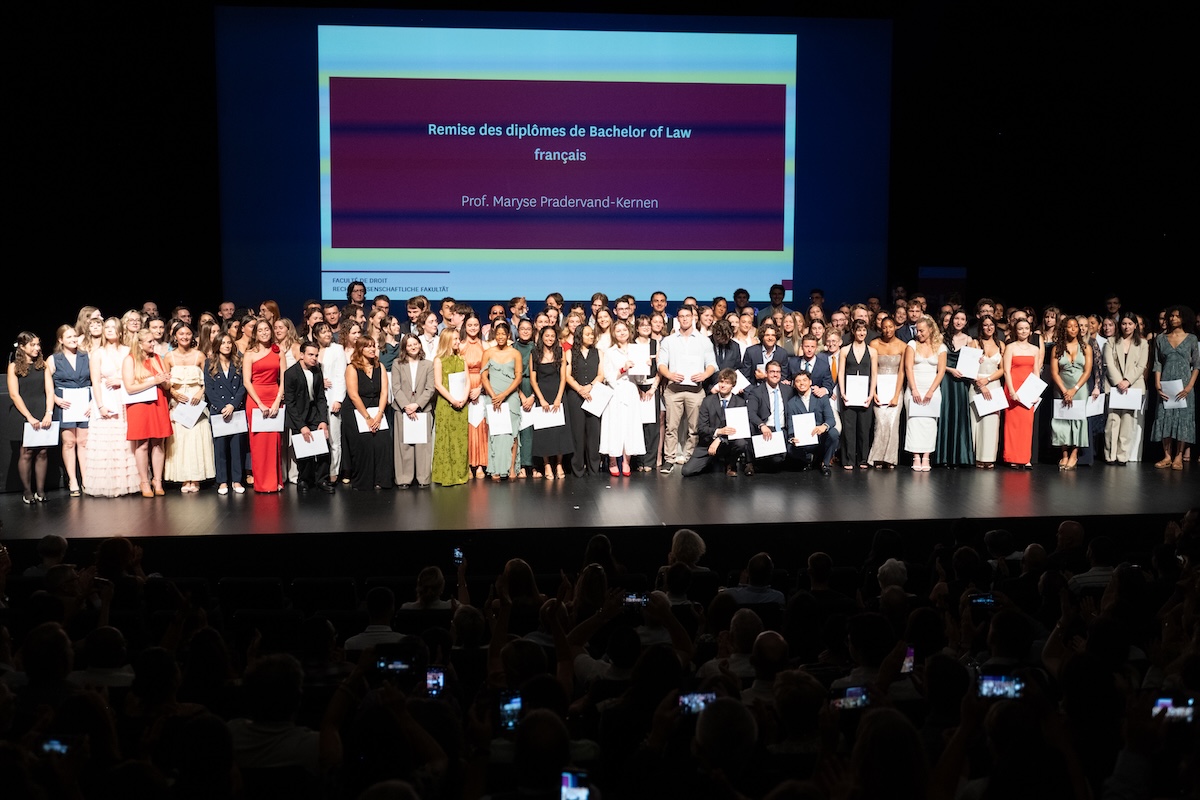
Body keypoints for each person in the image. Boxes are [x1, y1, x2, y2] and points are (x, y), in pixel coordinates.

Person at [85, 318, 142, 497]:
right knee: (107, 442)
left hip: (125, 399)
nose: (109, 330)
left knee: (125, 441)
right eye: (107, 327)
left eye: (113, 327)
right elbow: (95, 381)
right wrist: (100, 405)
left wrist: (121, 381)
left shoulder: (128, 350)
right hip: (106, 399)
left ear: (120, 331)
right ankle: (107, 485)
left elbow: (137, 374)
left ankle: (127, 483)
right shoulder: (98, 353)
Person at [657, 306, 716, 472]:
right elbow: (661, 363)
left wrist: (705, 375)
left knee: (694, 428)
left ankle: (690, 457)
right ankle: (669, 459)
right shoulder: (669, 340)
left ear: (693, 318)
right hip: (674, 389)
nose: (684, 319)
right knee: (671, 428)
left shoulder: (703, 340)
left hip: (695, 391)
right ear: (677, 319)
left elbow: (712, 364)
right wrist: (669, 374)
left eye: (687, 316)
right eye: (681, 316)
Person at [163, 323, 215, 493]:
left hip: (196, 403)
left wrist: (201, 392)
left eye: (188, 334)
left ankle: (196, 477)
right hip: (178, 403)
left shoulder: (199, 356)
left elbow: (209, 379)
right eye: (181, 334)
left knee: (196, 439)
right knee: (180, 441)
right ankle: (185, 478)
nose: (184, 337)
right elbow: (165, 382)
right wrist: (173, 393)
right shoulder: (168, 357)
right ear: (175, 336)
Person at [123, 329, 174, 497]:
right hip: (139, 405)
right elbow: (129, 388)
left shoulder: (157, 358)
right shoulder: (130, 360)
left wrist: (165, 380)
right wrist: (154, 381)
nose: (153, 344)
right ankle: (144, 481)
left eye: (153, 341)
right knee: (142, 443)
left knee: (159, 442)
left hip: (158, 402)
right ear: (139, 344)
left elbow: (166, 385)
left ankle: (157, 480)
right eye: (150, 341)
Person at [7, 332, 54, 503]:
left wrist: (48, 412)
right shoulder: (14, 367)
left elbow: (50, 390)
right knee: (26, 452)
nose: (37, 348)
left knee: (42, 451)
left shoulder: (43, 365)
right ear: (22, 346)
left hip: (41, 410)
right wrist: (29, 416)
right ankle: (27, 491)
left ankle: (40, 491)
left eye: (38, 344)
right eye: (33, 345)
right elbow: (14, 394)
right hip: (24, 413)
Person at [1151, 305, 1199, 469]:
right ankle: (1167, 456)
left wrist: (1189, 386)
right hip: (1166, 384)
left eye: (1177, 316)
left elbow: (1197, 365)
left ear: (1184, 318)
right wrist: (1157, 384)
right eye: (1171, 316)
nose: (1173, 319)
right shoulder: (1161, 338)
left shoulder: (1191, 339)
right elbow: (1157, 363)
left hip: (1184, 385)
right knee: (1165, 417)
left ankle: (1178, 456)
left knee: (1183, 419)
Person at [344, 337, 393, 490]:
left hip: (377, 409)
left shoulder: (380, 366)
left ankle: (381, 480)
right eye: (368, 347)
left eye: (373, 346)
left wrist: (379, 414)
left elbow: (384, 392)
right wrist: (367, 418)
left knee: (383, 442)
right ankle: (364, 482)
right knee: (364, 443)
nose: (372, 349)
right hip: (358, 410)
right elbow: (353, 395)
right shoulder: (352, 368)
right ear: (360, 349)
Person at [284, 340, 334, 493]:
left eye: (316, 355)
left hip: (314, 412)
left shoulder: (317, 371)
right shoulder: (291, 374)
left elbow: (320, 398)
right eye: (310, 355)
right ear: (301, 355)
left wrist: (323, 420)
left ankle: (322, 479)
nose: (314, 358)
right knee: (304, 450)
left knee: (323, 446)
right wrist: (301, 426)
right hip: (299, 415)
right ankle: (304, 480)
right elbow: (290, 403)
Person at [47, 325, 91, 496]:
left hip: (84, 402)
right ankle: (72, 480)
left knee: (83, 442)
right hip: (65, 404)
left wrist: (92, 402)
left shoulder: (86, 356)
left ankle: (86, 479)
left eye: (74, 336)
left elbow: (96, 380)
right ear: (61, 340)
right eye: (69, 337)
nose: (73, 340)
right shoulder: (54, 359)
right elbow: (46, 384)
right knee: (69, 442)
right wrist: (55, 399)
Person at [600, 319, 647, 476]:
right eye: (618, 330)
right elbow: (608, 377)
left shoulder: (636, 350)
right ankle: (613, 460)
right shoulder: (610, 352)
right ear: (614, 333)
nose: (622, 333)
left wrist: (644, 366)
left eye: (624, 330)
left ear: (629, 331)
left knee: (630, 424)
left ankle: (626, 460)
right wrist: (622, 369)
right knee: (614, 425)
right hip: (615, 392)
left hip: (631, 391)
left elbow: (640, 379)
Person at [682, 368, 750, 477]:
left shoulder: (739, 402)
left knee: (741, 443)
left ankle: (730, 464)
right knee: (687, 471)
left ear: (733, 385)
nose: (723, 385)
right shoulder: (707, 401)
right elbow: (701, 428)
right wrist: (718, 431)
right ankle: (710, 461)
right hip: (708, 443)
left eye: (727, 383)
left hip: (728, 443)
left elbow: (739, 431)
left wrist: (720, 439)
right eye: (721, 382)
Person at [243, 319, 284, 493]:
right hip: (255, 400)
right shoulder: (249, 354)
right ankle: (262, 483)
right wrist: (259, 404)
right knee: (259, 443)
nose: (264, 333)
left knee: (274, 441)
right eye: (260, 330)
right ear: (255, 333)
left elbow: (283, 379)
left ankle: (275, 481)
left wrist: (277, 401)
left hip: (274, 397)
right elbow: (246, 381)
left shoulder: (278, 351)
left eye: (267, 329)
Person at [391, 332, 435, 488]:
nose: (413, 347)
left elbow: (430, 388)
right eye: (409, 345)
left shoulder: (428, 364)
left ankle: (423, 478)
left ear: (420, 345)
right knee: (404, 445)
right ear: (404, 347)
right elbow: (396, 387)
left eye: (415, 344)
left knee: (423, 446)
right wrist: (406, 406)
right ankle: (404, 478)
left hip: (422, 409)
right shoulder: (397, 364)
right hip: (402, 410)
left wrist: (417, 405)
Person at [1103, 311, 1148, 465]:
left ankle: (1122, 456)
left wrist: (1127, 381)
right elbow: (1109, 364)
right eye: (1124, 323)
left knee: (1128, 422)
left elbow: (1141, 366)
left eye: (1130, 324)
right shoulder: (1111, 341)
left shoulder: (1143, 344)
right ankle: (1110, 455)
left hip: (1133, 387)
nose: (1126, 327)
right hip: (1114, 386)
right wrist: (1118, 382)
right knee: (1112, 420)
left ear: (1135, 326)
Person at [204, 332, 246, 495]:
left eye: (229, 343)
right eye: (223, 343)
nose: (227, 346)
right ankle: (222, 481)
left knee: (237, 448)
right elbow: (209, 388)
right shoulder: (209, 363)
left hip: (236, 410)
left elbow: (243, 386)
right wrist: (222, 407)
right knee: (220, 448)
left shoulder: (238, 361)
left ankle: (237, 480)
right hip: (218, 411)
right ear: (217, 345)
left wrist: (233, 405)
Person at [480, 322, 523, 480]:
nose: (500, 337)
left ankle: (511, 468)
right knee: (496, 432)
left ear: (508, 335)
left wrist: (504, 395)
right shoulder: (488, 353)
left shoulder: (515, 353)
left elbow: (518, 377)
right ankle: (496, 468)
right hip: (493, 397)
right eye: (497, 334)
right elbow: (484, 376)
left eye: (503, 334)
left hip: (510, 397)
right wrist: (493, 396)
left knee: (512, 433)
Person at [903, 316, 947, 472]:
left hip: (932, 390)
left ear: (930, 329)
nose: (918, 333)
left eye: (921, 330)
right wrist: (914, 389)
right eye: (917, 330)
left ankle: (926, 456)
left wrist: (930, 391)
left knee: (930, 424)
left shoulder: (940, 347)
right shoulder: (912, 345)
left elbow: (941, 371)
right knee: (914, 422)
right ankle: (915, 456)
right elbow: (908, 368)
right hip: (914, 389)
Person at [1049, 314, 1092, 470]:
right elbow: (1054, 372)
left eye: (1076, 326)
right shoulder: (1057, 348)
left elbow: (1087, 371)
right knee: (1062, 420)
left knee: (1079, 419)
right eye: (1070, 326)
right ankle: (1064, 454)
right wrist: (1064, 390)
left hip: (1079, 388)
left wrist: (1074, 389)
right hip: (1061, 387)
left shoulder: (1086, 347)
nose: (1074, 329)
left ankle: (1074, 454)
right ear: (1064, 329)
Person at [935, 309, 975, 468]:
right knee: (945, 413)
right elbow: (937, 361)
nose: (959, 321)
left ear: (966, 322)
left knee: (959, 414)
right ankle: (943, 456)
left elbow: (971, 363)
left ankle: (959, 456)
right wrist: (950, 370)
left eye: (962, 319)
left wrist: (977, 361)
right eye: (956, 318)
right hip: (946, 379)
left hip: (961, 382)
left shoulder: (969, 339)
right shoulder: (941, 337)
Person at [1002, 318, 1042, 469]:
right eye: (1020, 329)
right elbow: (1006, 371)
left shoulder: (1035, 349)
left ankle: (1025, 457)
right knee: (1012, 425)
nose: (1023, 331)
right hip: (1014, 388)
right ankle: (1012, 457)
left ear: (1030, 330)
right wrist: (1012, 391)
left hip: (1028, 390)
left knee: (1026, 425)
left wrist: (1036, 392)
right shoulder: (1010, 347)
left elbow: (1036, 371)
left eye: (1026, 328)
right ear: (1015, 331)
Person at [432, 328, 470, 486]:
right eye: (454, 339)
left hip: (462, 403)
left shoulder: (461, 359)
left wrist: (464, 398)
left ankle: (460, 473)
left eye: (458, 339)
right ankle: (446, 475)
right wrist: (453, 400)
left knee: (460, 439)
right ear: (446, 340)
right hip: (446, 404)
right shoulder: (439, 360)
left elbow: (467, 381)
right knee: (446, 438)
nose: (457, 341)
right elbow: (438, 384)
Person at [838, 320, 877, 469]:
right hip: (849, 394)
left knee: (864, 428)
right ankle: (848, 459)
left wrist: (871, 394)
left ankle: (863, 459)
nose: (862, 333)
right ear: (853, 331)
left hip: (865, 395)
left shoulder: (872, 351)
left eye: (864, 330)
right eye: (859, 330)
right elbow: (841, 372)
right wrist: (843, 392)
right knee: (849, 428)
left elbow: (874, 374)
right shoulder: (845, 350)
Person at [868, 316, 906, 468]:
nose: (887, 330)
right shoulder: (874, 344)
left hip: (895, 388)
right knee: (880, 423)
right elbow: (872, 370)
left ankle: (890, 458)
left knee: (893, 423)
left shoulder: (903, 346)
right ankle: (877, 457)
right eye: (884, 327)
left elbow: (902, 372)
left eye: (890, 326)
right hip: (879, 388)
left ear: (895, 327)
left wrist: (896, 395)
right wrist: (874, 392)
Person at [565, 325, 603, 476]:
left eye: (592, 334)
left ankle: (594, 468)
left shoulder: (598, 352)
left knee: (594, 432)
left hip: (594, 394)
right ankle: (578, 468)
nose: (591, 336)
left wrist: (590, 386)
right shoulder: (570, 353)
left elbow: (601, 374)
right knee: (577, 432)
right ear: (579, 336)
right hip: (575, 395)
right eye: (587, 334)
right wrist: (580, 389)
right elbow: (567, 375)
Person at [784, 371, 839, 475]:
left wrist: (824, 426)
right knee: (790, 448)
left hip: (820, 436)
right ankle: (809, 459)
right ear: (794, 385)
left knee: (834, 433)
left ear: (810, 382)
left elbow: (831, 420)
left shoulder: (822, 398)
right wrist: (792, 438)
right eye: (798, 381)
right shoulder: (791, 403)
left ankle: (825, 463)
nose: (802, 383)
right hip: (804, 439)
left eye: (804, 380)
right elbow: (790, 425)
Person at [969, 315, 1005, 468]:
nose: (989, 328)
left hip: (993, 384)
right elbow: (968, 367)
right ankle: (976, 457)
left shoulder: (1001, 344)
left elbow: (1002, 369)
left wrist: (988, 380)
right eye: (985, 325)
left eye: (991, 325)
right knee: (976, 422)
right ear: (981, 327)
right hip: (976, 384)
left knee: (991, 422)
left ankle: (988, 458)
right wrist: (981, 385)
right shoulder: (974, 343)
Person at [313, 321, 346, 485]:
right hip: (315, 400)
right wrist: (319, 382)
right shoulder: (312, 350)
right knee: (317, 438)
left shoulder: (337, 349)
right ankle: (317, 473)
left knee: (334, 439)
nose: (327, 334)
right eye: (323, 332)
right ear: (315, 335)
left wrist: (338, 399)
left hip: (332, 397)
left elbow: (341, 375)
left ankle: (333, 472)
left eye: (328, 331)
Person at [459, 314, 489, 480]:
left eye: (476, 325)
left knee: (481, 427)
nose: (472, 328)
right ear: (465, 326)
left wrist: (480, 388)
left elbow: (490, 370)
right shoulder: (460, 345)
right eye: (469, 325)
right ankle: (468, 464)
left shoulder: (485, 345)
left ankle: (480, 465)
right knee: (467, 428)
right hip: (464, 387)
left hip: (481, 387)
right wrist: (466, 390)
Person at [513, 317, 538, 478]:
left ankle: (534, 465)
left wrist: (533, 396)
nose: (525, 331)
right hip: (516, 389)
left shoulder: (537, 348)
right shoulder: (512, 349)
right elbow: (509, 374)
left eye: (528, 329)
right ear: (517, 330)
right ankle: (521, 465)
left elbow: (542, 373)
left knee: (533, 429)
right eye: (522, 329)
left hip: (535, 389)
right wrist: (521, 395)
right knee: (520, 428)